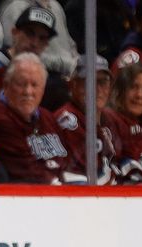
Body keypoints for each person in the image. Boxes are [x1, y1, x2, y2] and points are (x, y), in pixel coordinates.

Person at [0, 52, 69, 183]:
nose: (28, 92)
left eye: (35, 85)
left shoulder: (47, 117)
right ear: (6, 85)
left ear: (43, 89)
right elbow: (28, 173)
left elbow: (65, 161)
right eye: (21, 84)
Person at [0, 5, 66, 111]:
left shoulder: (44, 76)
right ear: (14, 32)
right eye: (30, 33)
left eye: (42, 38)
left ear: (46, 44)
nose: (35, 43)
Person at [53, 55, 124, 184]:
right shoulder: (69, 120)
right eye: (90, 81)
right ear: (74, 85)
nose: (97, 89)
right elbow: (84, 174)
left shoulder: (110, 119)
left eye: (103, 82)